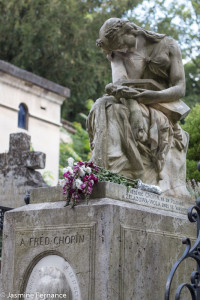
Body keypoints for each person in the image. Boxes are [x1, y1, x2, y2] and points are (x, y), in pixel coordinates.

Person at [87, 18, 190, 198]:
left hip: (161, 106)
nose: (121, 51)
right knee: (102, 105)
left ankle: (130, 171)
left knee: (115, 111)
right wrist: (134, 108)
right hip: (131, 102)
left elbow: (180, 88)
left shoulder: (169, 46)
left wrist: (153, 96)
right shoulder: (116, 53)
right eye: (115, 49)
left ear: (130, 31)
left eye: (121, 45)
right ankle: (105, 168)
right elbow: (120, 85)